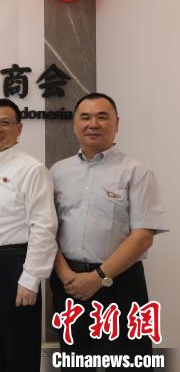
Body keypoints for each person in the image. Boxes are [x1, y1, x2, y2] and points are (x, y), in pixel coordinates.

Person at [50, 93, 168, 371]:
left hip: (119, 285)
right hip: (69, 285)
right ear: (75, 124)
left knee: (127, 363)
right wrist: (65, 274)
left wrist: (99, 278)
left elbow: (143, 236)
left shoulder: (136, 171)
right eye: (85, 117)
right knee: (75, 361)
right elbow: (47, 230)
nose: (93, 124)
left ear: (117, 123)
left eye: (102, 117)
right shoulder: (57, 171)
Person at [0, 98, 58, 372]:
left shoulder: (32, 169)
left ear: (19, 128)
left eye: (5, 123)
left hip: (15, 266)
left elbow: (44, 227)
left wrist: (31, 279)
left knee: (20, 349)